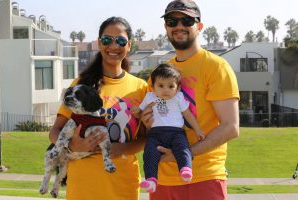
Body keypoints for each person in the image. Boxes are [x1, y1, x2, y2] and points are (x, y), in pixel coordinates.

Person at [141, 0, 240, 199]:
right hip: (163, 178)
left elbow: (231, 127)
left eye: (186, 20)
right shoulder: (161, 73)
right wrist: (146, 122)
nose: (179, 26)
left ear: (199, 26)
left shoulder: (216, 67)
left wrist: (184, 154)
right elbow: (151, 121)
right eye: (172, 21)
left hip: (203, 176)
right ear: (166, 28)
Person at [49, 16, 147, 200]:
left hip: (123, 187)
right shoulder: (81, 84)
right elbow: (55, 130)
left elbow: (146, 138)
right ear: (99, 43)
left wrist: (123, 149)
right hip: (83, 188)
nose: (113, 46)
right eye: (107, 40)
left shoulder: (141, 88)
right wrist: (71, 146)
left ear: (129, 45)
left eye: (120, 41)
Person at [131, 63, 205, 193]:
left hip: (176, 132)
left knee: (183, 148)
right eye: (160, 86)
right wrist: (136, 111)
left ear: (178, 88)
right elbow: (141, 110)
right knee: (149, 154)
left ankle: (186, 169)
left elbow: (187, 114)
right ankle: (151, 180)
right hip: (155, 134)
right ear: (152, 87)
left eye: (171, 86)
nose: (166, 90)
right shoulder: (150, 97)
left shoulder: (178, 97)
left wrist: (197, 129)